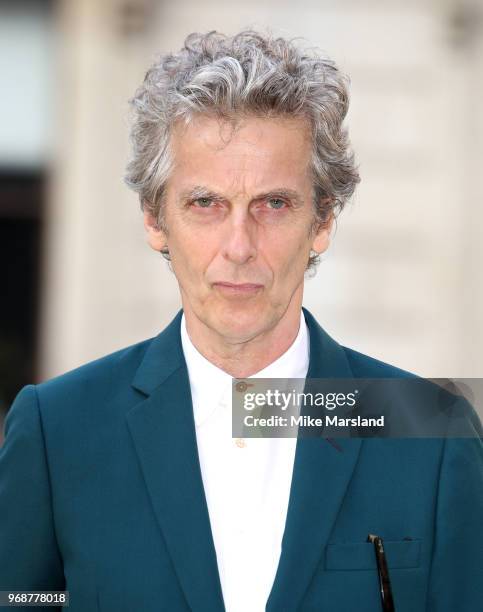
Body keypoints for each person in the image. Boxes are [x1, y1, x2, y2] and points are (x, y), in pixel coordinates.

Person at [0, 30, 482, 612]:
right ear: (155, 219)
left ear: (322, 221)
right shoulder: (58, 430)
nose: (239, 246)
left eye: (273, 204)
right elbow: (24, 600)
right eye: (206, 204)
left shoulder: (430, 430)